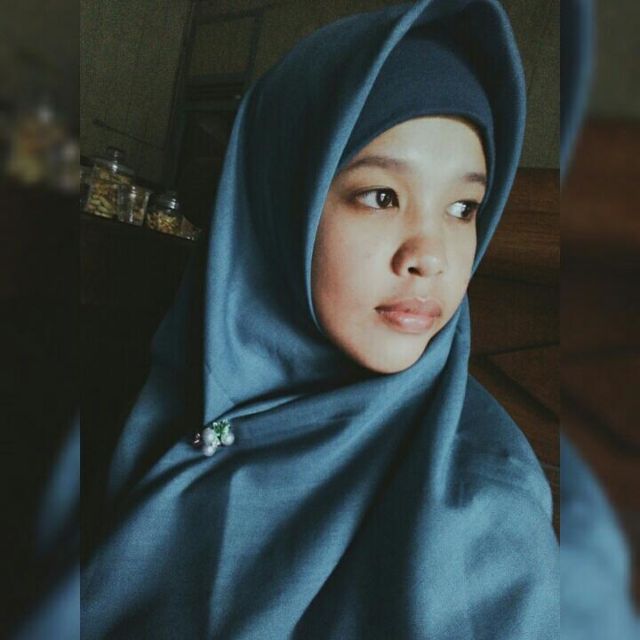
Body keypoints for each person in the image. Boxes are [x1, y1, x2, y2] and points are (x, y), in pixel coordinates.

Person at [82, 0, 558, 637]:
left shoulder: (482, 508)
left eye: (463, 208)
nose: (431, 257)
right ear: (281, 199)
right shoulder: (164, 389)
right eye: (382, 196)